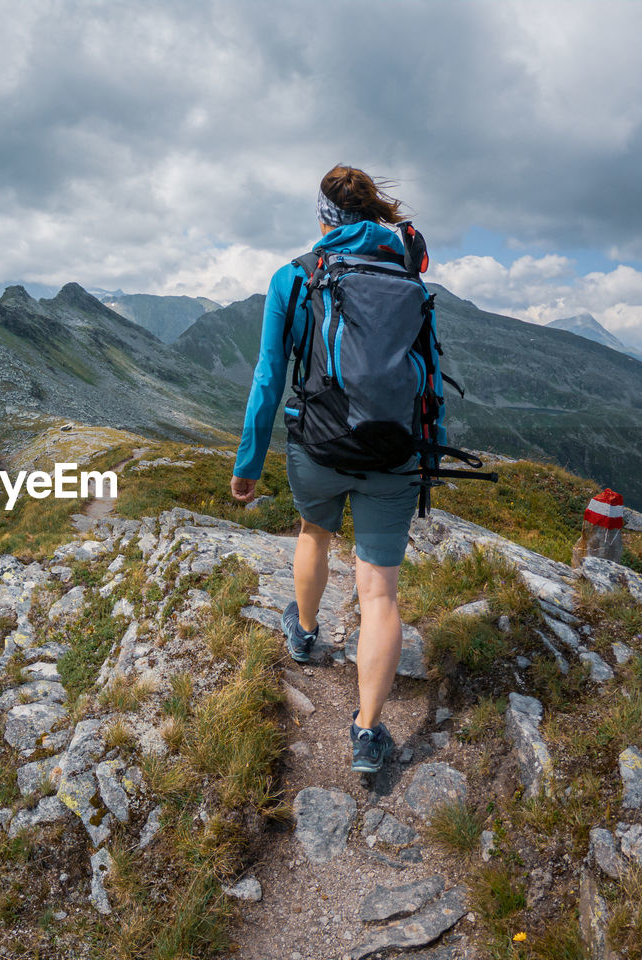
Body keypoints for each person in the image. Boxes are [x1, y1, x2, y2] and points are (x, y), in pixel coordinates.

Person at [230, 164, 418, 775]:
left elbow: (268, 377)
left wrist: (249, 462)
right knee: (379, 590)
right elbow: (425, 374)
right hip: (393, 453)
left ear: (323, 218)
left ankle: (305, 633)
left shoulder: (294, 277)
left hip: (317, 446)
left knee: (315, 533)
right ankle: (367, 732)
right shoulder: (403, 272)